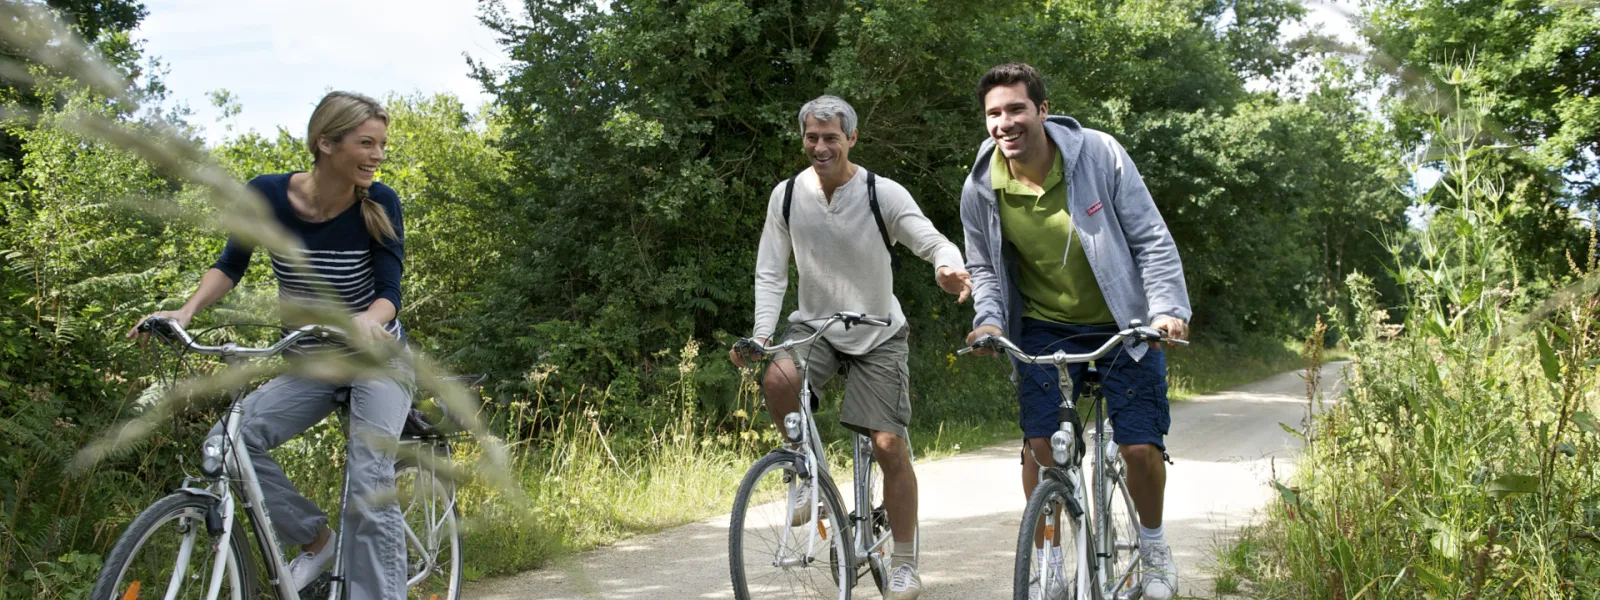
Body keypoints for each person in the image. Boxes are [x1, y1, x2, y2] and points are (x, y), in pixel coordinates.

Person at [129, 91, 411, 599]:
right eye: (366, 143)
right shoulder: (267, 195)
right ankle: (317, 540)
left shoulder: (380, 202)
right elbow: (230, 264)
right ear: (325, 143)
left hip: (376, 358)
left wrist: (369, 319)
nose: (378, 155)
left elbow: (390, 291)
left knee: (369, 479)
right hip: (311, 359)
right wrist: (185, 311)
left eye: (382, 145)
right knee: (225, 446)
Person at [959, 63, 1192, 600]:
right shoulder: (981, 186)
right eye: (994, 113)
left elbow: (1150, 238)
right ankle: (1050, 560)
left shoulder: (1099, 155)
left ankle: (1153, 547)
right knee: (1040, 446)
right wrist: (988, 320)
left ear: (1042, 110)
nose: (1005, 122)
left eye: (1016, 108)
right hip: (1044, 327)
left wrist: (1166, 311)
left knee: (1138, 448)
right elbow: (987, 268)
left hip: (1125, 322)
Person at [729, 95, 970, 600]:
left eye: (830, 138)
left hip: (878, 330)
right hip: (816, 328)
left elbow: (930, 239)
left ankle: (904, 562)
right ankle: (804, 475)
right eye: (812, 138)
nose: (820, 147)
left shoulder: (881, 192)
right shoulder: (788, 196)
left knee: (887, 444)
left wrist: (947, 266)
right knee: (777, 377)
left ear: (851, 139)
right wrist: (763, 334)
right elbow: (771, 270)